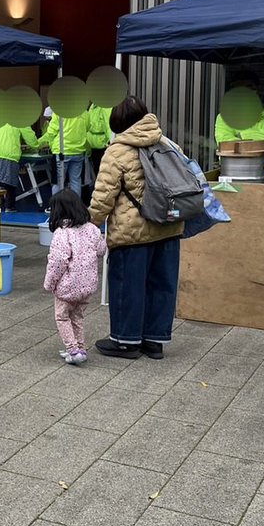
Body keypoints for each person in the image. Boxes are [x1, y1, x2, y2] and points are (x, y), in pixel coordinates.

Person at [88, 96, 184, 359]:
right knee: (161, 285)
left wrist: (90, 224)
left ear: (118, 121)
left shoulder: (116, 152)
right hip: (169, 227)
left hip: (132, 233)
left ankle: (125, 341)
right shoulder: (168, 143)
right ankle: (154, 341)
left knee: (127, 286)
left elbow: (103, 197)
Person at [43, 188, 107, 365]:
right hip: (87, 285)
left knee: (62, 317)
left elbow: (57, 262)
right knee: (77, 317)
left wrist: (49, 283)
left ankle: (73, 350)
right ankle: (80, 347)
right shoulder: (92, 229)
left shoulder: (62, 233)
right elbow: (101, 250)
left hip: (67, 287)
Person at [215, 70, 264, 184]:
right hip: (235, 181)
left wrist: (242, 135)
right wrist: (260, 140)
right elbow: (225, 143)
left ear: (258, 89)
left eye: (250, 87)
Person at [39, 106, 92, 195]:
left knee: (58, 182)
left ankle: (57, 204)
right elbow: (87, 127)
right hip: (78, 151)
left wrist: (38, 144)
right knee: (76, 181)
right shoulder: (84, 112)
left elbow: (51, 132)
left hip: (62, 151)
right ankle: (75, 203)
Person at [0, 122, 39, 211]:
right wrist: (36, 145)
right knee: (9, 184)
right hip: (10, 154)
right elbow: (29, 137)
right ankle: (9, 207)